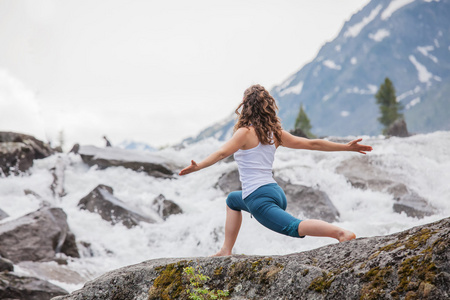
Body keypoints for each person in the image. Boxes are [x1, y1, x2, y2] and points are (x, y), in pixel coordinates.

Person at [179, 84, 373, 257]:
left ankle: (340, 233)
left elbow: (222, 153)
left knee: (293, 227)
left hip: (258, 197)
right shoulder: (274, 133)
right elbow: (312, 144)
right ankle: (226, 250)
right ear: (268, 107)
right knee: (232, 200)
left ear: (245, 106)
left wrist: (199, 166)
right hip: (274, 191)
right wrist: (346, 147)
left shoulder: (244, 133)